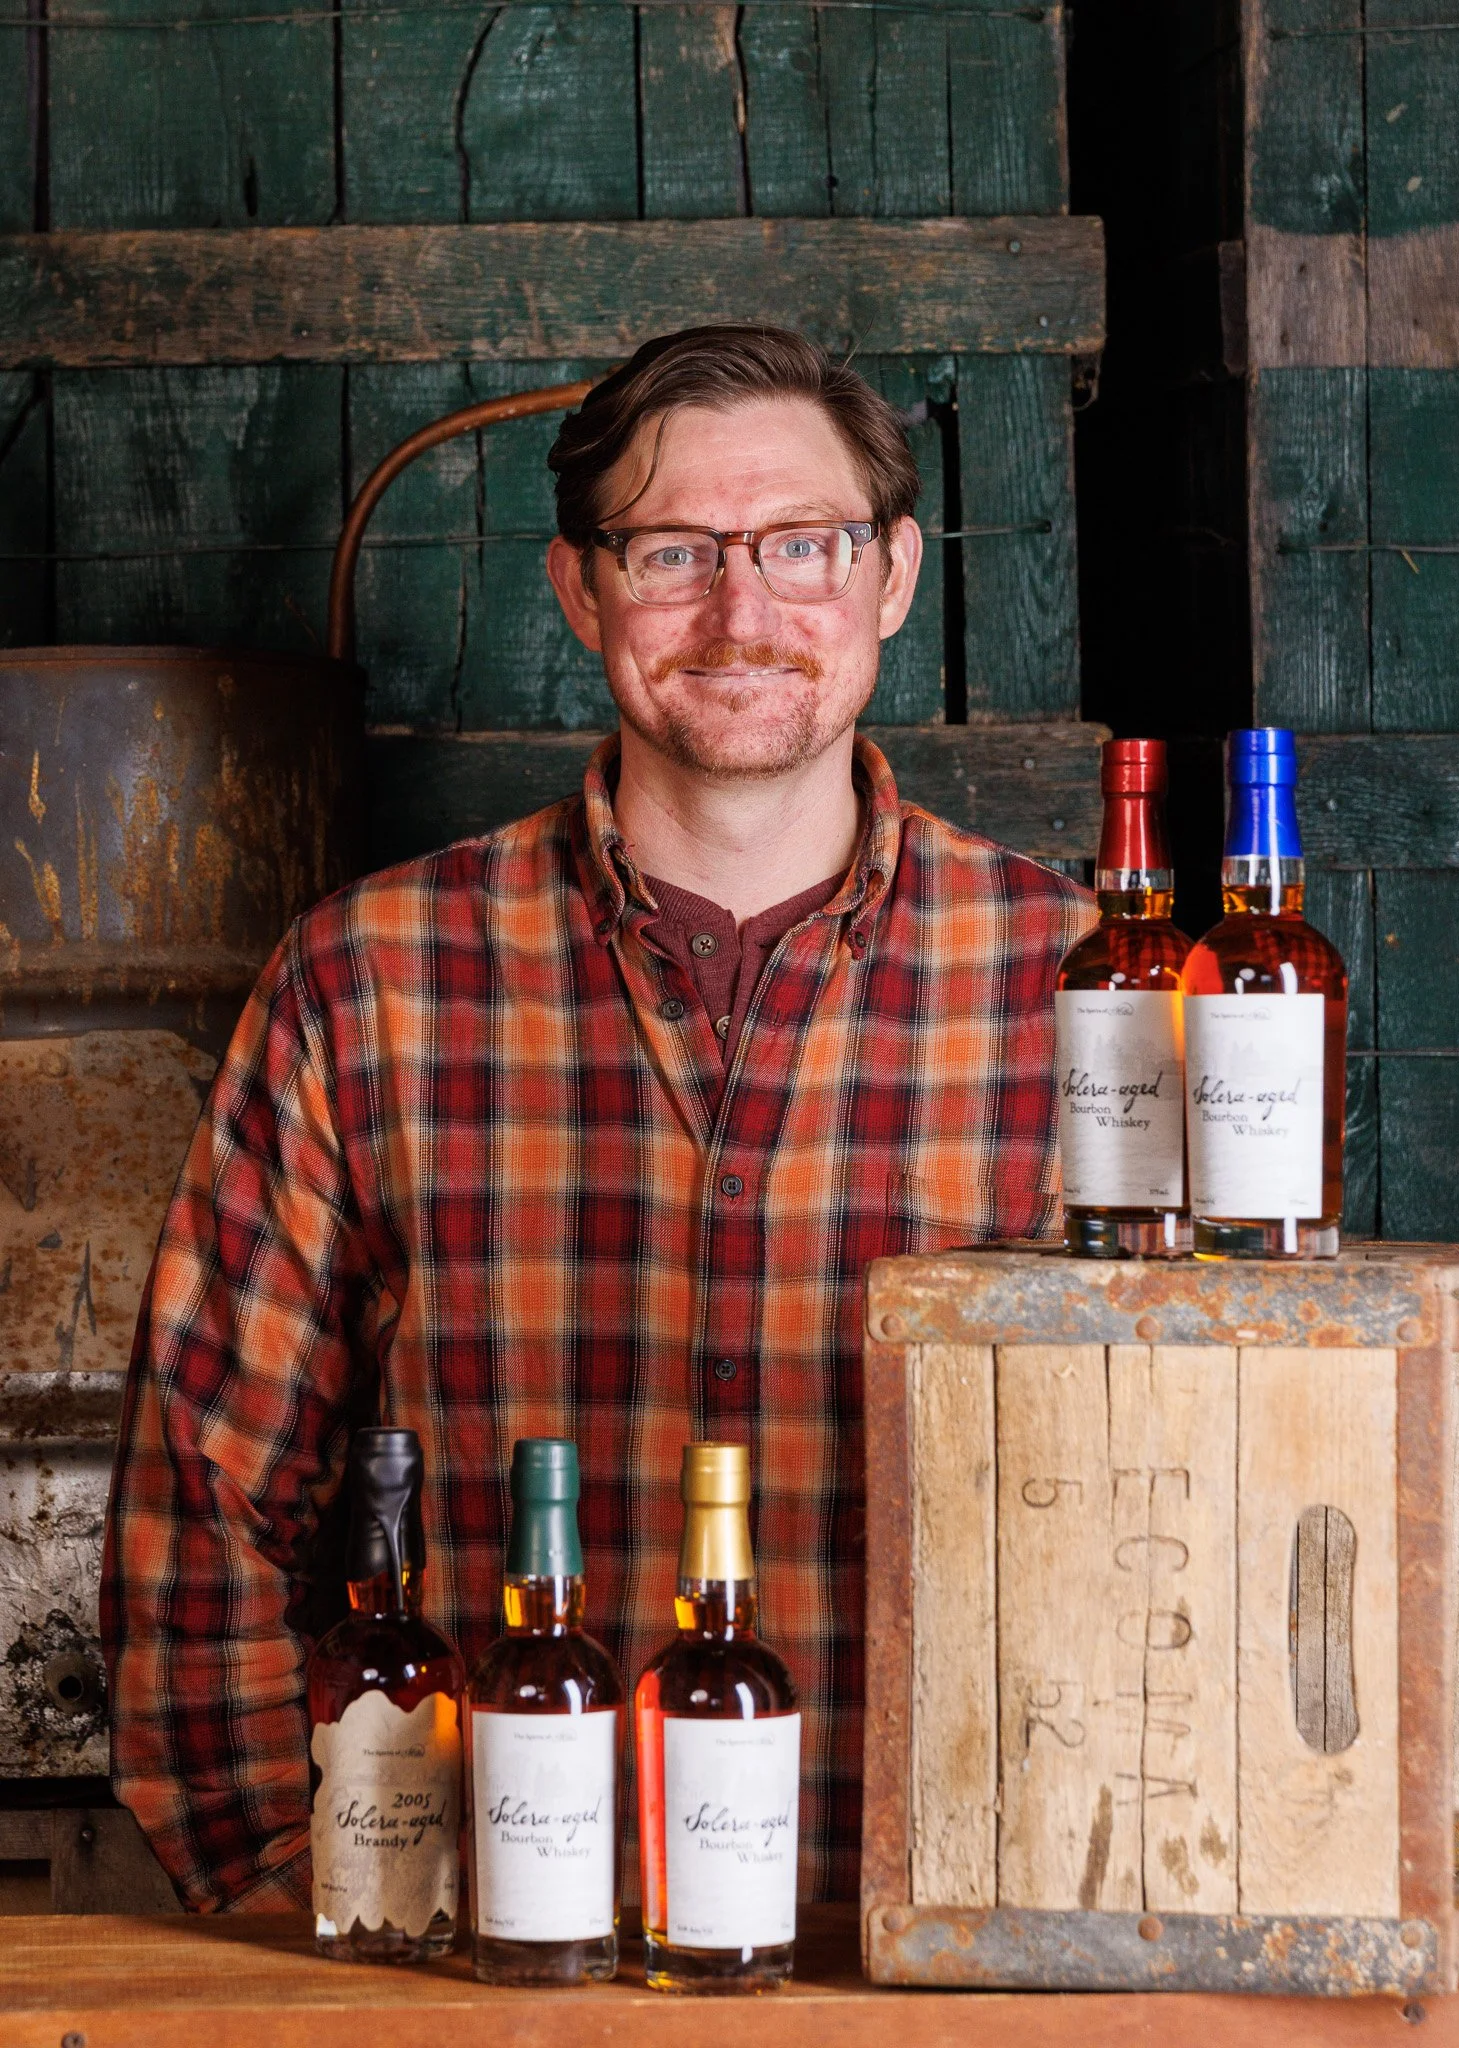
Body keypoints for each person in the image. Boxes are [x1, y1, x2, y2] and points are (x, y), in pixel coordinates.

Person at [100, 325, 1095, 1911]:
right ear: (581, 591)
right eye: (672, 550)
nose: (742, 610)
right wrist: (309, 1900)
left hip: (953, 1962)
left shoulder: (1084, 989)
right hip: (485, 1967)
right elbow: (199, 1515)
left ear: (893, 578)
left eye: (805, 546)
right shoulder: (371, 980)